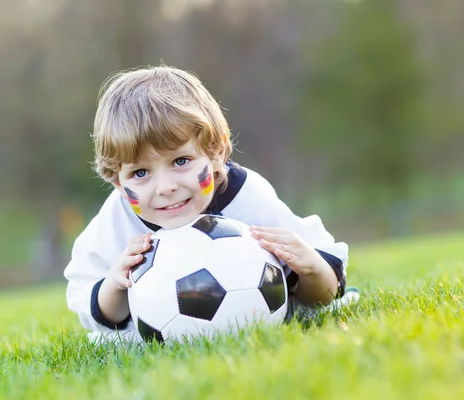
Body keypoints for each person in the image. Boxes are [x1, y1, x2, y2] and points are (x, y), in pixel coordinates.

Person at [64, 65, 360, 343]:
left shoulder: (249, 199)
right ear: (117, 182)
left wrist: (311, 269)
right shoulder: (117, 219)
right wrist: (114, 285)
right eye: (140, 173)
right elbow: (97, 315)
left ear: (217, 152)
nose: (166, 187)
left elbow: (325, 292)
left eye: (181, 161)